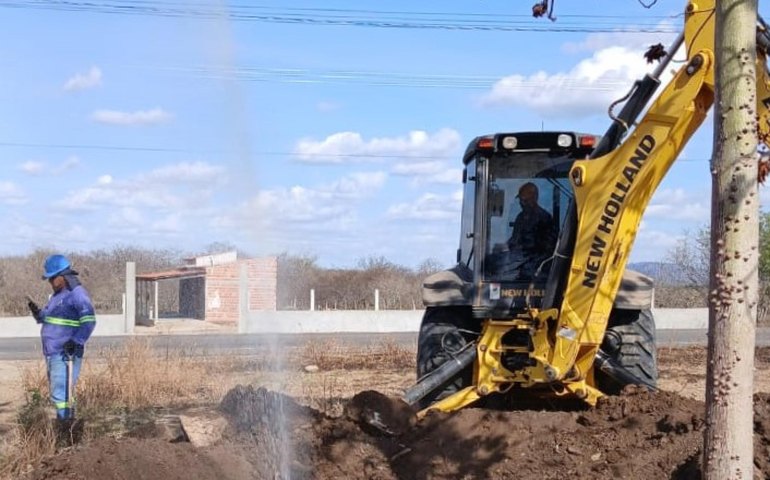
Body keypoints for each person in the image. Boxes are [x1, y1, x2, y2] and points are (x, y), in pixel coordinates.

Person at [27, 254, 95, 424]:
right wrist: (38, 313)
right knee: (60, 391)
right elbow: (49, 319)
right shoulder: (57, 296)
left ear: (62, 276)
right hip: (52, 352)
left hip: (65, 353)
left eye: (52, 278)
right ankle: (65, 421)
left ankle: (66, 425)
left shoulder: (78, 294)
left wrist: (76, 341)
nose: (50, 282)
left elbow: (89, 321)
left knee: (62, 392)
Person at [506, 182, 557, 278]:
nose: (522, 203)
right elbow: (515, 239)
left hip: (538, 271)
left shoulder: (544, 218)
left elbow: (549, 248)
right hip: (519, 268)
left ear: (534, 198)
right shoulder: (520, 218)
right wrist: (505, 246)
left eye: (525, 200)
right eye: (520, 200)